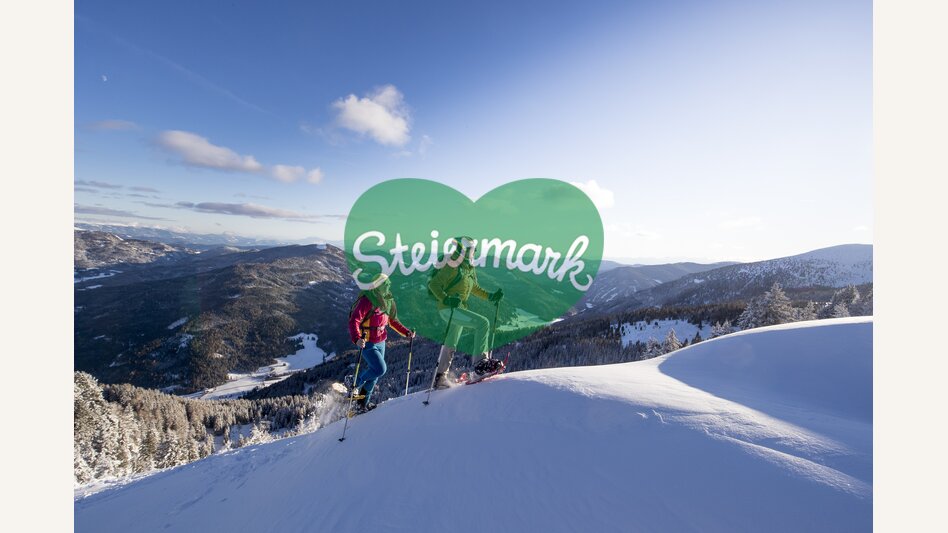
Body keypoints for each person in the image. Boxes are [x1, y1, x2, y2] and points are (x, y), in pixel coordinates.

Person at [428, 236, 504, 389]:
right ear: (463, 250)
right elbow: (433, 284)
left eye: (474, 250)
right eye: (471, 250)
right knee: (483, 323)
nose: (474, 252)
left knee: (451, 341)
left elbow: (474, 288)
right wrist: (446, 298)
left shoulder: (468, 267)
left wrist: (491, 296)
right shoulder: (452, 265)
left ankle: (440, 377)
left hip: (458, 309)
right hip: (448, 308)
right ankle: (479, 365)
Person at [347, 274, 414, 412]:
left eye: (389, 284)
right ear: (378, 286)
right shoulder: (367, 300)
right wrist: (357, 338)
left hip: (381, 341)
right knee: (380, 369)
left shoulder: (388, 301)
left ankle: (362, 404)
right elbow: (354, 320)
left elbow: (393, 321)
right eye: (386, 284)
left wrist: (406, 332)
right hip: (367, 342)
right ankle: (354, 382)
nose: (389, 287)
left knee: (375, 374)